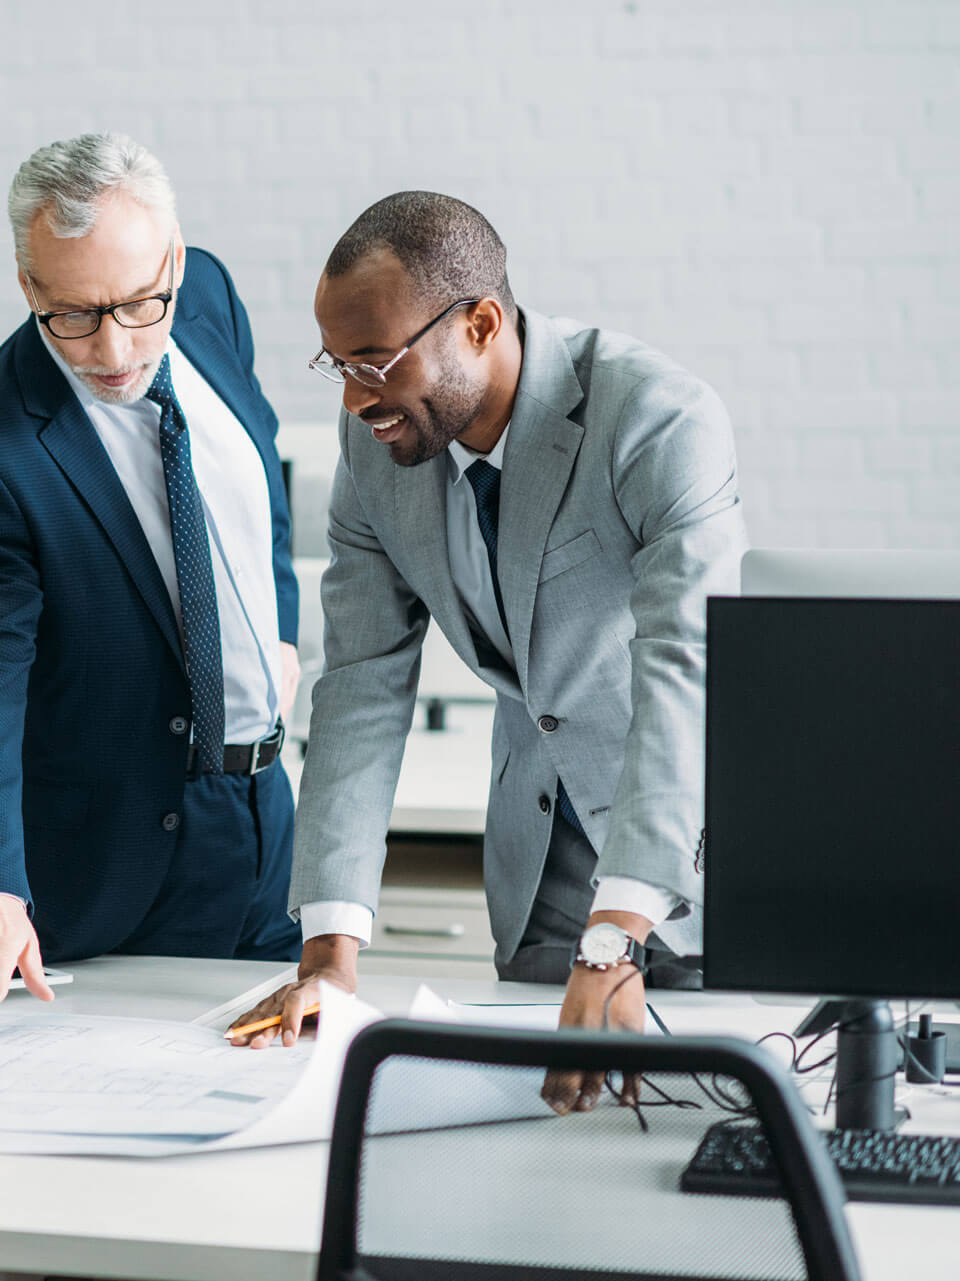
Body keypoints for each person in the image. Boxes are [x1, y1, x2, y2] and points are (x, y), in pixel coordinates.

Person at [231, 193, 746, 1105]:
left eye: (375, 362)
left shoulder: (657, 416)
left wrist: (617, 929)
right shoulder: (375, 454)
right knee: (543, 1144)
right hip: (540, 865)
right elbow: (360, 684)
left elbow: (685, 665)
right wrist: (329, 953)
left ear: (480, 323)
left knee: (706, 1136)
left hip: (698, 860)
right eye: (337, 365)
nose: (355, 399)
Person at [0, 133, 303, 1021]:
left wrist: (277, 633)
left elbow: (256, 473)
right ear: (28, 287)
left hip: (266, 818)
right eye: (75, 315)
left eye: (138, 304)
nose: (114, 347)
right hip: (131, 859)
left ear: (172, 261)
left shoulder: (207, 297)